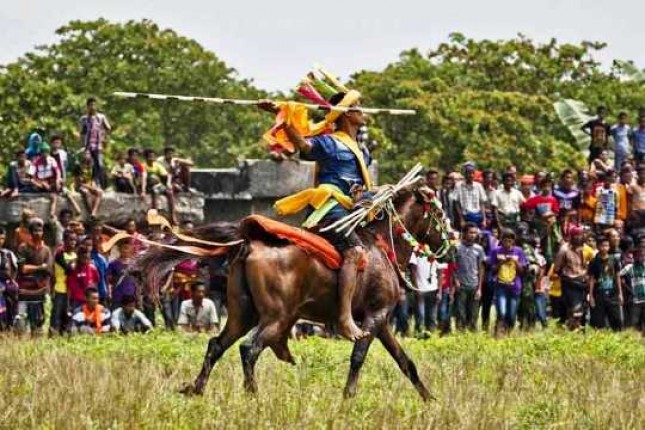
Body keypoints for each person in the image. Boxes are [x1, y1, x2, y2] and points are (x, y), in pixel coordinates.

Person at [258, 86, 375, 341]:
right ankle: (345, 318)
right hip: (330, 210)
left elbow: (358, 187)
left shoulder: (363, 151)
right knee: (354, 252)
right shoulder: (329, 143)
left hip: (352, 210)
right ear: (345, 114)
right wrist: (282, 115)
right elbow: (302, 145)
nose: (362, 110)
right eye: (356, 106)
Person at [15, 218, 52, 336]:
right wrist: (40, 267)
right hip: (24, 290)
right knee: (21, 321)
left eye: (40, 231)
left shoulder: (46, 250)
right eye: (35, 231)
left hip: (39, 291)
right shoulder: (22, 248)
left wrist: (37, 268)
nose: (38, 233)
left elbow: (49, 269)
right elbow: (22, 268)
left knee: (38, 322)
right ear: (30, 232)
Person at [553, 227, 594, 329]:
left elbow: (593, 266)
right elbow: (557, 267)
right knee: (574, 307)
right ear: (571, 237)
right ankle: (570, 328)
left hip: (583, 282)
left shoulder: (588, 250)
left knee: (583, 308)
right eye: (576, 235)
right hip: (569, 282)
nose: (578, 237)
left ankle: (579, 329)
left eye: (580, 235)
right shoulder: (564, 249)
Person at [490, 229, 527, 333]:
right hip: (500, 286)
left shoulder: (519, 251)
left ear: (513, 241)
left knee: (511, 314)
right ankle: (498, 331)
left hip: (515, 287)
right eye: (505, 240)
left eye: (510, 241)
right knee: (502, 312)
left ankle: (508, 332)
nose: (507, 243)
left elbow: (522, 271)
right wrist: (501, 263)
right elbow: (492, 270)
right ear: (501, 240)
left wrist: (515, 262)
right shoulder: (496, 251)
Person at [454, 223, 486, 331]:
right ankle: (460, 335)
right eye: (471, 232)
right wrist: (456, 280)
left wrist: (479, 288)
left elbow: (481, 268)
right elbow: (453, 266)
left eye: (475, 233)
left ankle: (472, 336)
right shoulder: (456, 248)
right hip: (461, 286)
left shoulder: (479, 249)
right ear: (464, 233)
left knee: (473, 315)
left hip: (474, 285)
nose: (473, 235)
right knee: (460, 313)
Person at [588, 237, 623, 331]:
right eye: (602, 245)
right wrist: (591, 296)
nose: (604, 248)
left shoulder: (614, 259)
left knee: (617, 319)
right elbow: (591, 279)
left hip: (612, 294)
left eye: (606, 245)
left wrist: (620, 293)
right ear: (598, 246)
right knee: (598, 322)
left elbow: (617, 276)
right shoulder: (594, 261)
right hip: (598, 294)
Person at [409, 251, 445, 335]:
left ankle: (431, 333)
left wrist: (439, 291)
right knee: (420, 315)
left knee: (432, 316)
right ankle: (419, 332)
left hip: (433, 289)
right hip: (420, 289)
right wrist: (416, 289)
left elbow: (440, 274)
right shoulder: (416, 253)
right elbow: (413, 271)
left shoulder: (437, 253)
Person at [79, 97, 111, 188]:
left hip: (98, 144)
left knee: (99, 164)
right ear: (87, 106)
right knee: (87, 164)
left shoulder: (101, 117)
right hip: (88, 145)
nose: (92, 107)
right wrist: (82, 145)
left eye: (93, 105)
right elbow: (82, 132)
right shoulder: (84, 118)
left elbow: (108, 128)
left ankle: (97, 182)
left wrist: (104, 137)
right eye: (90, 105)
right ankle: (85, 182)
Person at [50, 230, 77, 335]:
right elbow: (69, 269)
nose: (73, 242)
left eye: (74, 240)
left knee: (67, 314)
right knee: (57, 313)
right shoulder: (59, 254)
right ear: (64, 240)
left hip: (71, 290)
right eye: (70, 240)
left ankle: (64, 333)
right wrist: (74, 264)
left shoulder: (75, 255)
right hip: (60, 288)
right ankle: (53, 333)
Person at [144, 149, 178, 224]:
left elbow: (167, 175)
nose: (151, 158)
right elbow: (143, 177)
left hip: (158, 185)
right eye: (150, 157)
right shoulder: (144, 166)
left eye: (153, 157)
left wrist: (168, 183)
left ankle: (172, 215)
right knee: (154, 191)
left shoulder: (157, 165)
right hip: (149, 186)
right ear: (146, 158)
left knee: (169, 192)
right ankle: (155, 215)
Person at [29, 143, 62, 217]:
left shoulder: (52, 160)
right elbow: (31, 179)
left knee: (57, 186)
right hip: (39, 183)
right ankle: (52, 211)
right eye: (43, 152)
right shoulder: (35, 162)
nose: (45, 154)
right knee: (44, 186)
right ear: (40, 153)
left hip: (51, 182)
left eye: (47, 152)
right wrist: (40, 184)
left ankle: (52, 212)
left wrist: (57, 180)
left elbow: (58, 172)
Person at [620, 240, 645, 333]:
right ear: (634, 256)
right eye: (639, 255)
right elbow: (618, 276)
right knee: (634, 321)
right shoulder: (629, 267)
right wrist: (627, 287)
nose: (642, 257)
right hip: (635, 299)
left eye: (643, 255)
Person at [454, 162, 487, 229]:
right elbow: (456, 203)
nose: (471, 175)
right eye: (469, 173)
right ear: (465, 174)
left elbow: (482, 203)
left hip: (477, 217)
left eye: (472, 173)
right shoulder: (458, 185)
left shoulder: (478, 186)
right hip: (465, 217)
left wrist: (484, 219)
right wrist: (461, 219)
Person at [107, 240, 138, 310]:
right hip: (118, 295)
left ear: (130, 249)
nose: (125, 250)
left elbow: (137, 280)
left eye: (127, 248)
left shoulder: (134, 264)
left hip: (131, 295)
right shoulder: (113, 264)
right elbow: (108, 279)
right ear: (119, 249)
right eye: (123, 248)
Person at [67, 245, 99, 311]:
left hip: (89, 301)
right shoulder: (73, 269)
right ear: (79, 257)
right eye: (84, 257)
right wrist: (68, 303)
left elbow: (95, 284)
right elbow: (69, 288)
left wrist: (94, 298)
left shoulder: (93, 268)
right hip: (76, 301)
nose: (86, 260)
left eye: (88, 258)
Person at [73, 149, 103, 216]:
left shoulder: (92, 165)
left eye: (88, 154)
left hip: (89, 184)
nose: (87, 155)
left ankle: (94, 211)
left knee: (99, 192)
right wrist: (89, 187)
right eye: (85, 154)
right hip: (80, 185)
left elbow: (93, 178)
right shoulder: (78, 166)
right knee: (86, 192)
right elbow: (77, 181)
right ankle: (90, 212)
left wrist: (93, 185)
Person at [0, 228, 18, 330]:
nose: (0, 241)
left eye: (2, 238)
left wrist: (12, 280)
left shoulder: (8, 253)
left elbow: (16, 268)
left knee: (14, 289)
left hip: (6, 282)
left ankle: (12, 321)